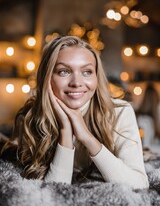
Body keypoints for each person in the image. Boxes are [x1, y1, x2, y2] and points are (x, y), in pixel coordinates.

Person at [1, 35, 149, 189]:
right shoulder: (30, 116)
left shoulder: (119, 112)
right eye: (64, 71)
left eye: (87, 72)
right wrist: (66, 129)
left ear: (96, 77)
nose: (77, 83)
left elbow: (139, 184)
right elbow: (51, 193)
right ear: (47, 77)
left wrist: (86, 137)